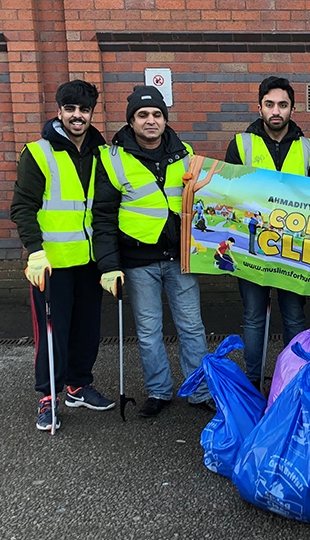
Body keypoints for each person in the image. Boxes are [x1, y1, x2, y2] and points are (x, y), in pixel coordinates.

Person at [92, 85, 213, 417]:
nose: (151, 121)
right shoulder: (113, 159)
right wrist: (108, 265)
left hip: (179, 258)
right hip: (138, 261)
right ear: (131, 121)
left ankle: (199, 390)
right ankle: (159, 392)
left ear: (165, 119)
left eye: (157, 114)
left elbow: (200, 203)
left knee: (192, 327)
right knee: (148, 333)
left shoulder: (184, 152)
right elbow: (102, 217)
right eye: (142, 115)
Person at [10, 80, 114, 432]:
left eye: (84, 110)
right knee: (53, 332)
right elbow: (22, 207)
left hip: (88, 262)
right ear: (59, 112)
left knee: (87, 330)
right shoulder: (38, 153)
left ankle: (78, 385)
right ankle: (48, 396)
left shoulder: (102, 153)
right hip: (51, 264)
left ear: (91, 114)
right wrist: (35, 251)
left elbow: (103, 207)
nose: (77, 116)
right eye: (70, 109)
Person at [223, 76, 310, 390]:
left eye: (282, 104)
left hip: (294, 250)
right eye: (270, 104)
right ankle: (253, 382)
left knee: (294, 316)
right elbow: (229, 196)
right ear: (259, 107)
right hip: (251, 248)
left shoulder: (308, 149)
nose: (276, 110)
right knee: (254, 317)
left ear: (293, 108)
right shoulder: (241, 144)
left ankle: (294, 381)